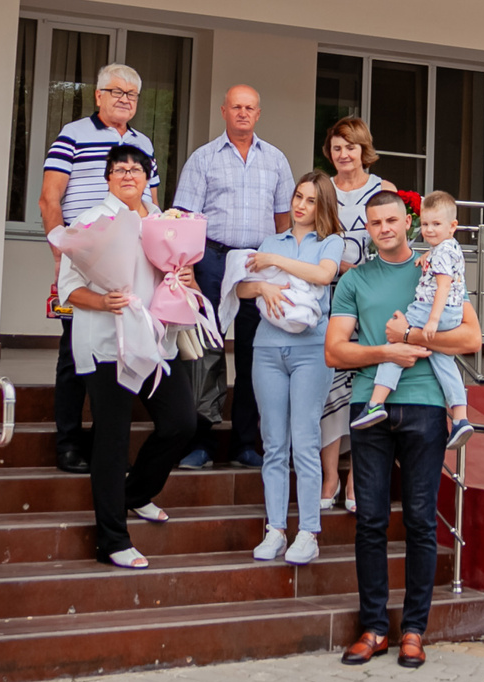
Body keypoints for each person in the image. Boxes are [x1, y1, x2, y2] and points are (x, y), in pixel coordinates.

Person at [329, 188, 480, 668]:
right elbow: (336, 352)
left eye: (392, 220)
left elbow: (471, 337)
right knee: (370, 521)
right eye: (375, 223)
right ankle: (373, 628)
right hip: (368, 405)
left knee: (418, 519)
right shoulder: (355, 281)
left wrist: (411, 337)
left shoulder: (437, 265)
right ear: (368, 229)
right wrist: (386, 352)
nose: (385, 229)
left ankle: (415, 629)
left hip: (426, 406)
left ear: (408, 222)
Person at [59, 144, 193, 569]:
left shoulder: (161, 222)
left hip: (154, 341)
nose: (128, 174)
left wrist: (182, 274)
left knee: (180, 424)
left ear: (148, 176)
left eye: (136, 168)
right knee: (112, 440)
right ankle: (112, 539)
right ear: (108, 177)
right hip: (107, 343)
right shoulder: (91, 222)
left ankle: (134, 493)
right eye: (119, 169)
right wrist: (105, 303)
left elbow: (171, 272)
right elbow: (68, 290)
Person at [40, 64, 158, 474]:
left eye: (132, 94)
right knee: (76, 352)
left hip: (133, 268)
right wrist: (61, 251)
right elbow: (49, 199)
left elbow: (152, 202)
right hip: (85, 262)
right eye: (116, 91)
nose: (124, 99)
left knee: (125, 350)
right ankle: (69, 443)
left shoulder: (143, 142)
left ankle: (105, 443)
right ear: (97, 95)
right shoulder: (73, 134)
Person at [172, 84, 295, 468]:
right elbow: (185, 218)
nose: (243, 113)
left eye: (250, 107)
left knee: (252, 352)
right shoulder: (203, 158)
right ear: (224, 111)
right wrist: (187, 267)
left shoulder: (275, 160)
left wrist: (278, 262)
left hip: (256, 263)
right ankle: (202, 443)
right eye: (236, 107)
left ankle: (245, 443)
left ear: (258, 114)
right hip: (210, 258)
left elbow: (284, 220)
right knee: (205, 351)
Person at [237, 170, 344, 564]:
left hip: (311, 351)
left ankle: (309, 532)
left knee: (305, 441)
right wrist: (262, 285)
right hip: (267, 348)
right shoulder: (272, 240)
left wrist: (274, 264)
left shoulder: (331, 241)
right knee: (274, 444)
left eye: (311, 200)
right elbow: (243, 286)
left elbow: (323, 274)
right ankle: (276, 530)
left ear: (323, 206)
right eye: (298, 197)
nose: (300, 205)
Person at [351, 189, 473, 451]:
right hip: (450, 314)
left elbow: (442, 289)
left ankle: (375, 403)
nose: (428, 230)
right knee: (445, 362)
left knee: (394, 344)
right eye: (426, 224)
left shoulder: (439, 254)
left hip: (431, 309)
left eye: (436, 225)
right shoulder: (447, 248)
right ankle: (461, 418)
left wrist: (411, 330)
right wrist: (429, 255)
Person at [316, 116, 389, 510]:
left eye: (351, 147)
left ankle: (355, 479)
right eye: (337, 147)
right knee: (330, 387)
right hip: (328, 298)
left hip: (372, 300)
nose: (344, 154)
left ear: (364, 150)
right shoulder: (321, 189)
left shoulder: (384, 191)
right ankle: (329, 477)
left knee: (364, 388)